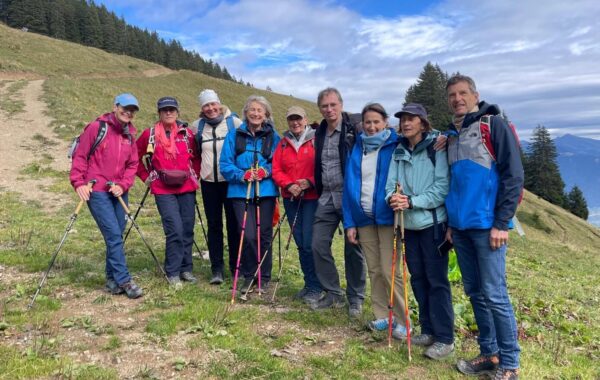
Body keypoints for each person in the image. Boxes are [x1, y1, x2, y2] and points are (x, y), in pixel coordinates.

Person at [444, 75, 523, 380]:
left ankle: (510, 364)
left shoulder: (493, 125)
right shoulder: (453, 134)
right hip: (461, 228)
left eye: (463, 93)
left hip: (489, 226)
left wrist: (502, 223)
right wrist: (452, 224)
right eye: (452, 94)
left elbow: (513, 175)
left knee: (495, 294)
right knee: (476, 292)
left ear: (475, 95)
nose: (457, 98)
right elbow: (455, 183)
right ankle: (489, 353)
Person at [386, 103, 454, 359]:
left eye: (411, 119)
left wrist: (411, 201)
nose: (405, 123)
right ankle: (428, 329)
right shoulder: (399, 150)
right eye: (403, 119)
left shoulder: (436, 148)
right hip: (407, 226)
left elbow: (441, 188)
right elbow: (390, 184)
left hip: (433, 225)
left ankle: (445, 338)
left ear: (423, 123)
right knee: (417, 278)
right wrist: (392, 198)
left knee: (437, 281)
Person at [342, 103, 412, 339]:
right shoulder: (358, 146)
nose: (371, 127)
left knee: (390, 270)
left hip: (387, 217)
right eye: (367, 122)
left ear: (385, 122)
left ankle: (403, 320)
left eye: (376, 122)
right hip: (362, 217)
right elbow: (349, 185)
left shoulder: (395, 145)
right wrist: (349, 222)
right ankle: (383, 316)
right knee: (373, 269)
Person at [69, 93, 142, 299]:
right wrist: (78, 182)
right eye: (125, 108)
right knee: (112, 234)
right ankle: (125, 280)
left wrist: (124, 184)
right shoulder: (97, 128)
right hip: (97, 190)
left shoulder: (130, 135)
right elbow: (80, 156)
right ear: (115, 106)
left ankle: (112, 281)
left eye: (132, 110)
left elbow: (133, 165)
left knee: (116, 235)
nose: (128, 112)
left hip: (118, 191)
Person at [311, 87, 366, 318]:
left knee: (354, 249)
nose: (329, 109)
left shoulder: (355, 128)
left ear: (341, 105)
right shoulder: (320, 132)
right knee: (318, 244)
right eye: (324, 106)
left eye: (333, 104)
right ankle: (333, 292)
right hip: (326, 197)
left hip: (349, 197)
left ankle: (355, 298)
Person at [136, 97, 200, 288]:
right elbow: (135, 156)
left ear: (178, 112)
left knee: (187, 228)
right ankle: (172, 271)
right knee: (175, 229)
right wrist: (146, 177)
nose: (169, 113)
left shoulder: (187, 134)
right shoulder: (149, 135)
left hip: (186, 187)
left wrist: (194, 174)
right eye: (165, 110)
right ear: (159, 113)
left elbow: (195, 157)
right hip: (162, 189)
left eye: (172, 109)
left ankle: (185, 268)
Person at [219, 95, 280, 293]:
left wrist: (266, 171)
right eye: (252, 110)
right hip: (239, 191)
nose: (255, 113)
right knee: (248, 234)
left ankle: (264, 276)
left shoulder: (274, 137)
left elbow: (279, 162)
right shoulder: (234, 135)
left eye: (259, 110)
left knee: (264, 235)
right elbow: (225, 164)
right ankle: (249, 274)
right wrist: (242, 174)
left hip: (266, 191)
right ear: (246, 113)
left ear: (266, 115)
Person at [191, 89, 242, 285]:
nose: (211, 108)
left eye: (213, 104)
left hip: (230, 182)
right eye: (206, 105)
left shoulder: (234, 123)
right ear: (202, 109)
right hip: (208, 183)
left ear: (219, 104)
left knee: (234, 225)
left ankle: (235, 267)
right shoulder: (197, 127)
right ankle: (217, 269)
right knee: (214, 226)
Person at [272, 106, 322, 304]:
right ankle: (309, 283)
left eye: (298, 119)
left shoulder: (317, 139)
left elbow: (323, 167)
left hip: (312, 198)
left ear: (306, 119)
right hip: (291, 198)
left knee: (310, 242)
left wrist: (310, 181)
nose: (295, 123)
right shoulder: (283, 143)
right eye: (291, 119)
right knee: (300, 241)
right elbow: (276, 169)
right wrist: (289, 184)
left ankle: (318, 286)